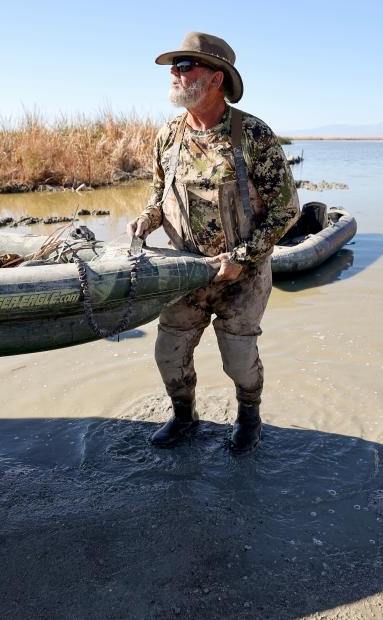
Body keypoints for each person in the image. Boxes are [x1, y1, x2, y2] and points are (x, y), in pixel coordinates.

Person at [127, 32, 299, 453]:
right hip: (184, 272)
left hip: (243, 275)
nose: (175, 73)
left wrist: (242, 258)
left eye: (186, 66)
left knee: (238, 360)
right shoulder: (168, 136)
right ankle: (184, 419)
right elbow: (158, 192)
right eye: (174, 66)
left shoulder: (253, 135)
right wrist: (147, 218)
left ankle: (248, 420)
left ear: (217, 79)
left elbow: (286, 210)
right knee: (169, 353)